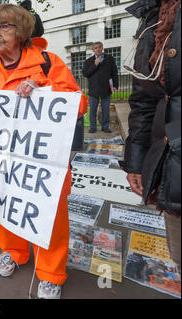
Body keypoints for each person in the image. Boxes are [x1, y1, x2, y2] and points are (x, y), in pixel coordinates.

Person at [0, 4, 87, 299]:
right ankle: (14, 252)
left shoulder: (47, 63)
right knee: (6, 206)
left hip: (41, 162)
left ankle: (51, 272)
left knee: (49, 214)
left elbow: (79, 104)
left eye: (4, 27)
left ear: (22, 31)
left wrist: (43, 91)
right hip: (3, 160)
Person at [123, 0, 180, 271]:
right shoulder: (152, 18)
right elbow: (145, 99)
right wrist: (137, 160)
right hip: (171, 169)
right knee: (178, 253)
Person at [82, 42, 118, 133]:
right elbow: (85, 73)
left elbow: (114, 73)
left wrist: (115, 85)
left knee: (106, 109)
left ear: (102, 48)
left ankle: (105, 127)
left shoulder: (110, 59)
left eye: (99, 47)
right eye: (95, 48)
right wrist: (95, 65)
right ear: (93, 50)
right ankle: (93, 127)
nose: (98, 49)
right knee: (93, 110)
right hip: (93, 90)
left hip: (106, 89)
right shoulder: (89, 61)